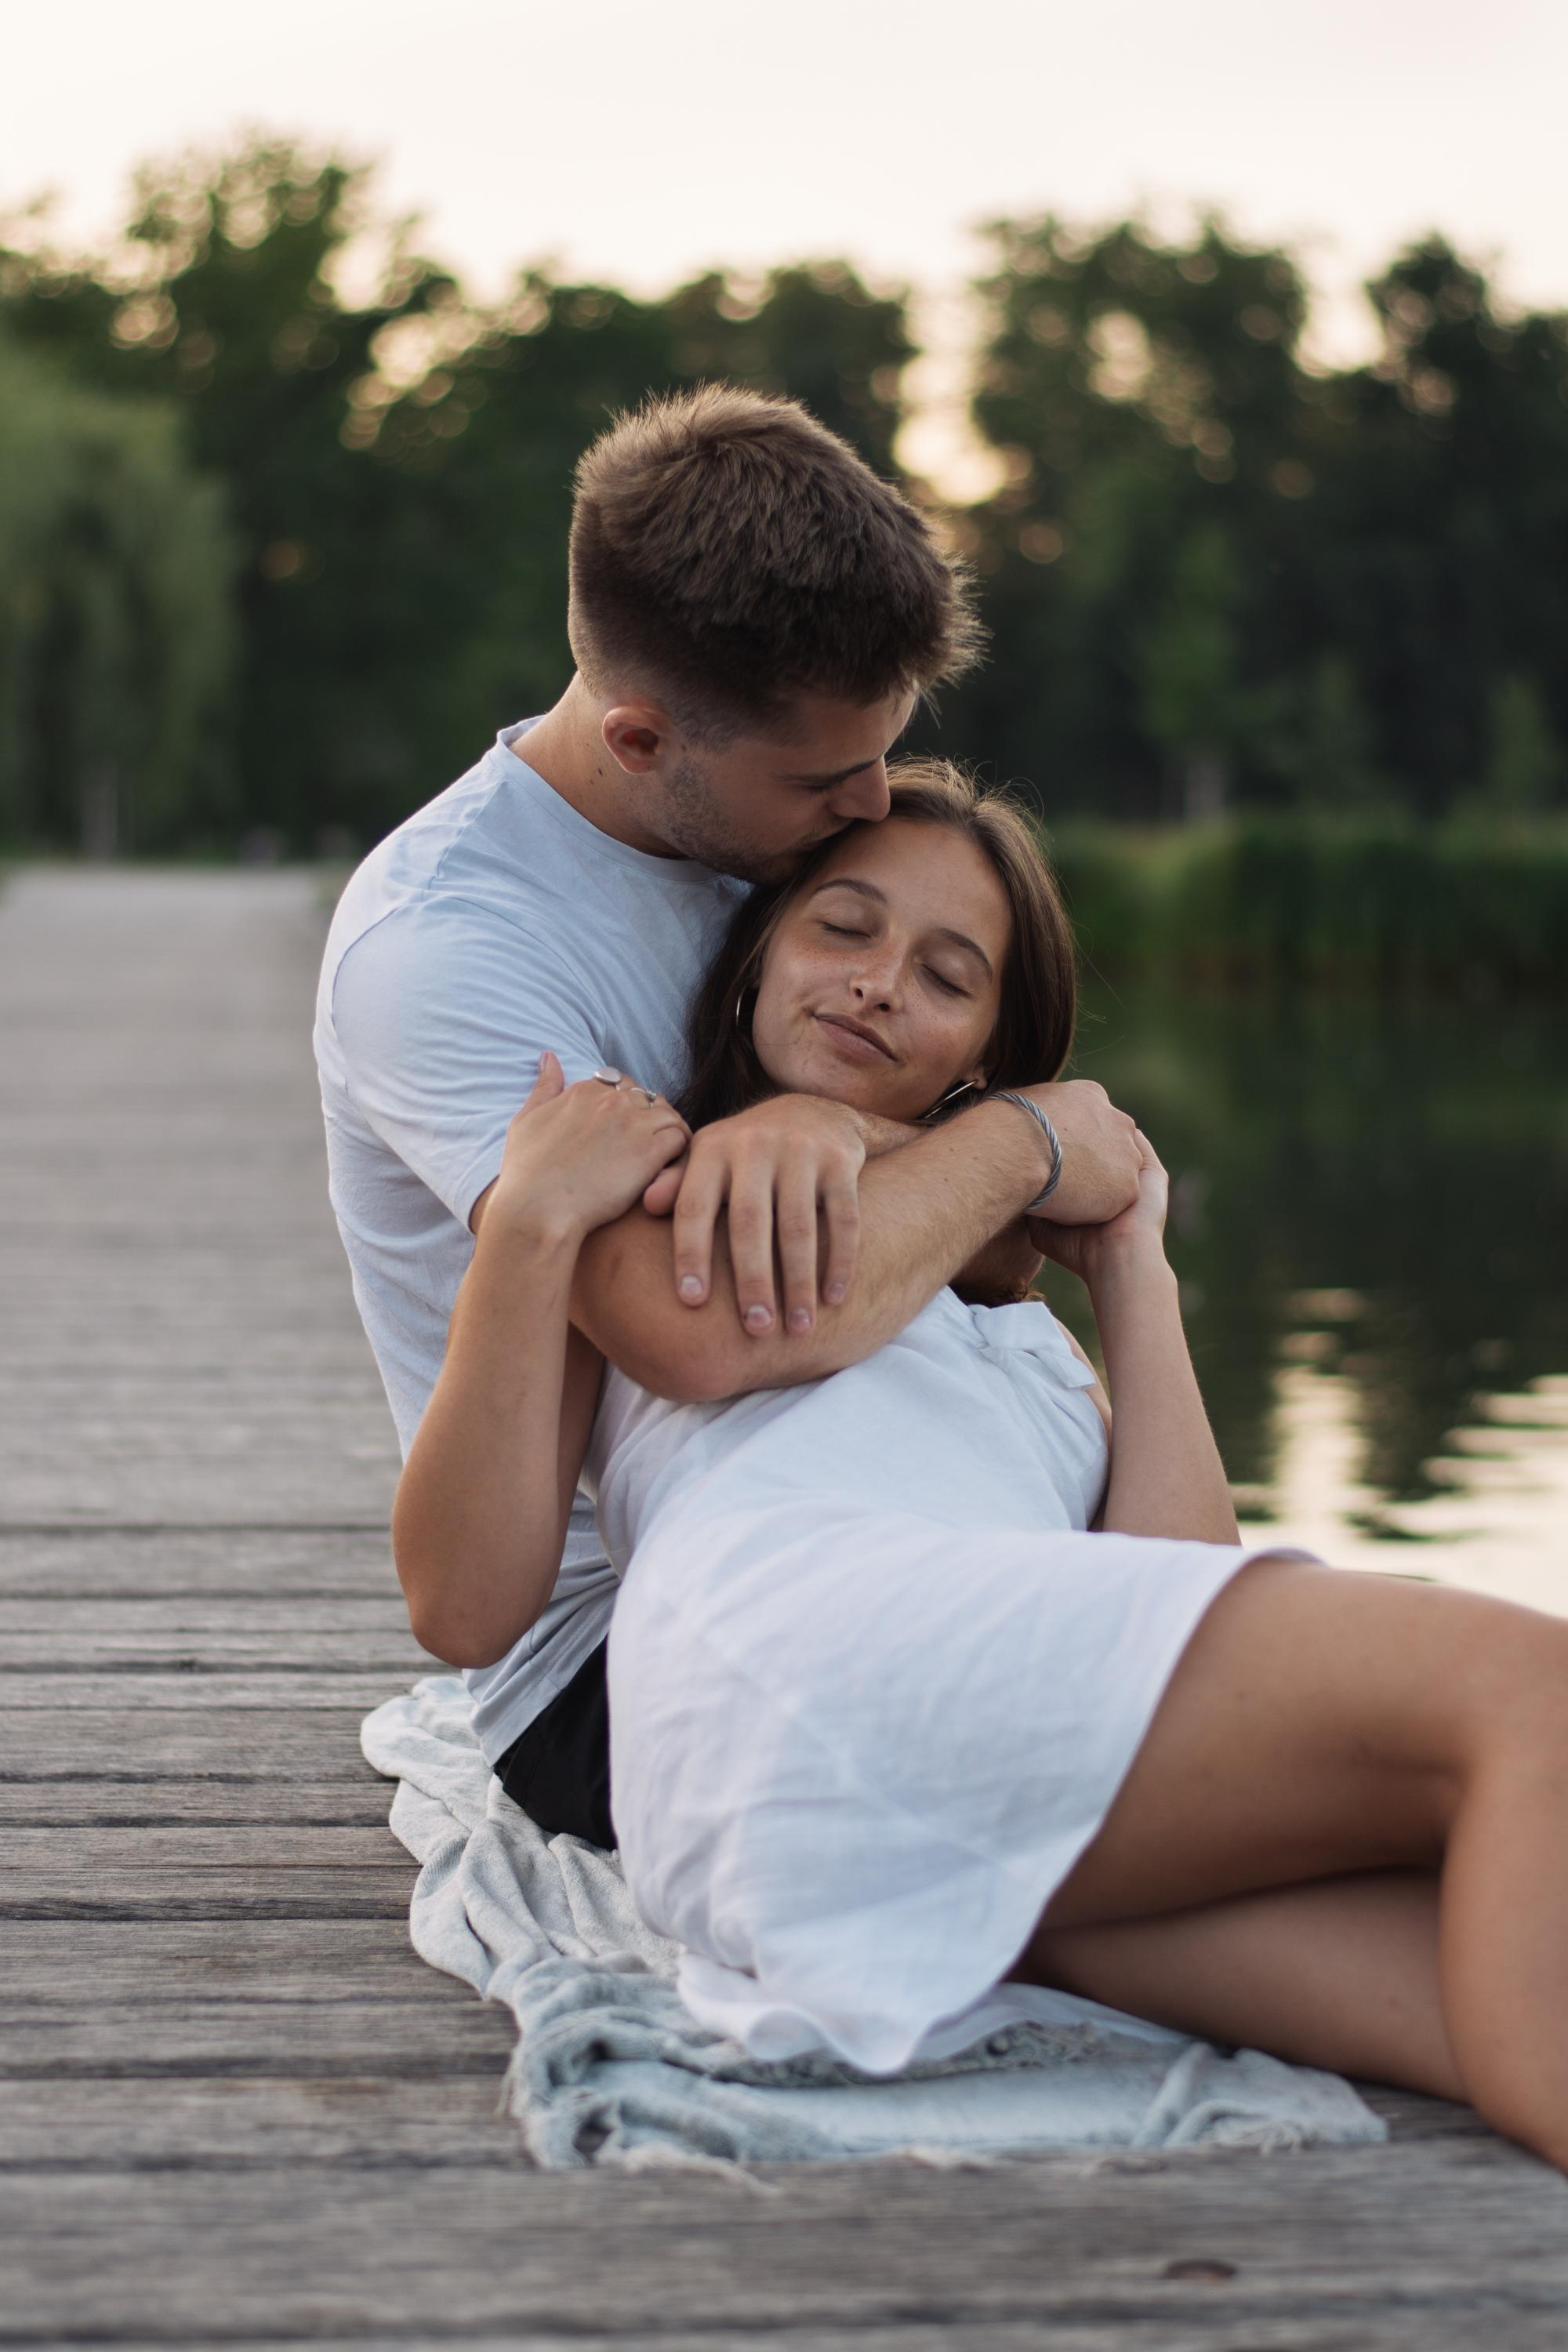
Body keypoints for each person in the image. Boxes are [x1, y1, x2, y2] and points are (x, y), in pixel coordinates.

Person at [394, 760, 1568, 2174]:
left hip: (870, 1797)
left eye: (946, 974)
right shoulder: (662, 1197)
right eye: (844, 928)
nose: (881, 982)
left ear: (985, 1052)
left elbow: (1174, 1590)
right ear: (759, 950)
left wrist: (1133, 1264)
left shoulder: (1012, 1318)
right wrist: (525, 1228)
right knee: (1531, 1694)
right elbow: (464, 1613)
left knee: (1438, 1938)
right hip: (799, 1648)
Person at [315, 385, 1143, 1849]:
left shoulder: (786, 858)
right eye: (829, 777)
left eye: (888, 747)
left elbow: (987, 1262)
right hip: (626, 1656)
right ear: (641, 741)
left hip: (885, 1528)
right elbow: (711, 1323)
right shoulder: (449, 953)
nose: (878, 798)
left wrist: (868, 1139)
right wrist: (1023, 1139)